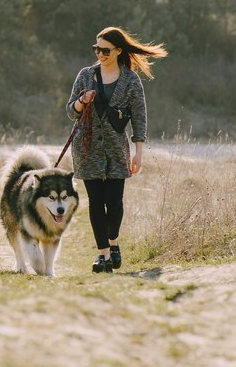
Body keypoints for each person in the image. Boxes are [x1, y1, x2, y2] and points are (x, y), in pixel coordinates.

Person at [66, 26, 167, 274]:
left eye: (105, 49)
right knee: (95, 203)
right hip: (86, 148)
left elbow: (139, 117)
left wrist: (139, 150)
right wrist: (81, 101)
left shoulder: (130, 80)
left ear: (118, 50)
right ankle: (103, 256)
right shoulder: (85, 75)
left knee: (115, 202)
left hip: (116, 149)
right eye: (96, 48)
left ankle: (113, 242)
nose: (100, 53)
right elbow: (70, 111)